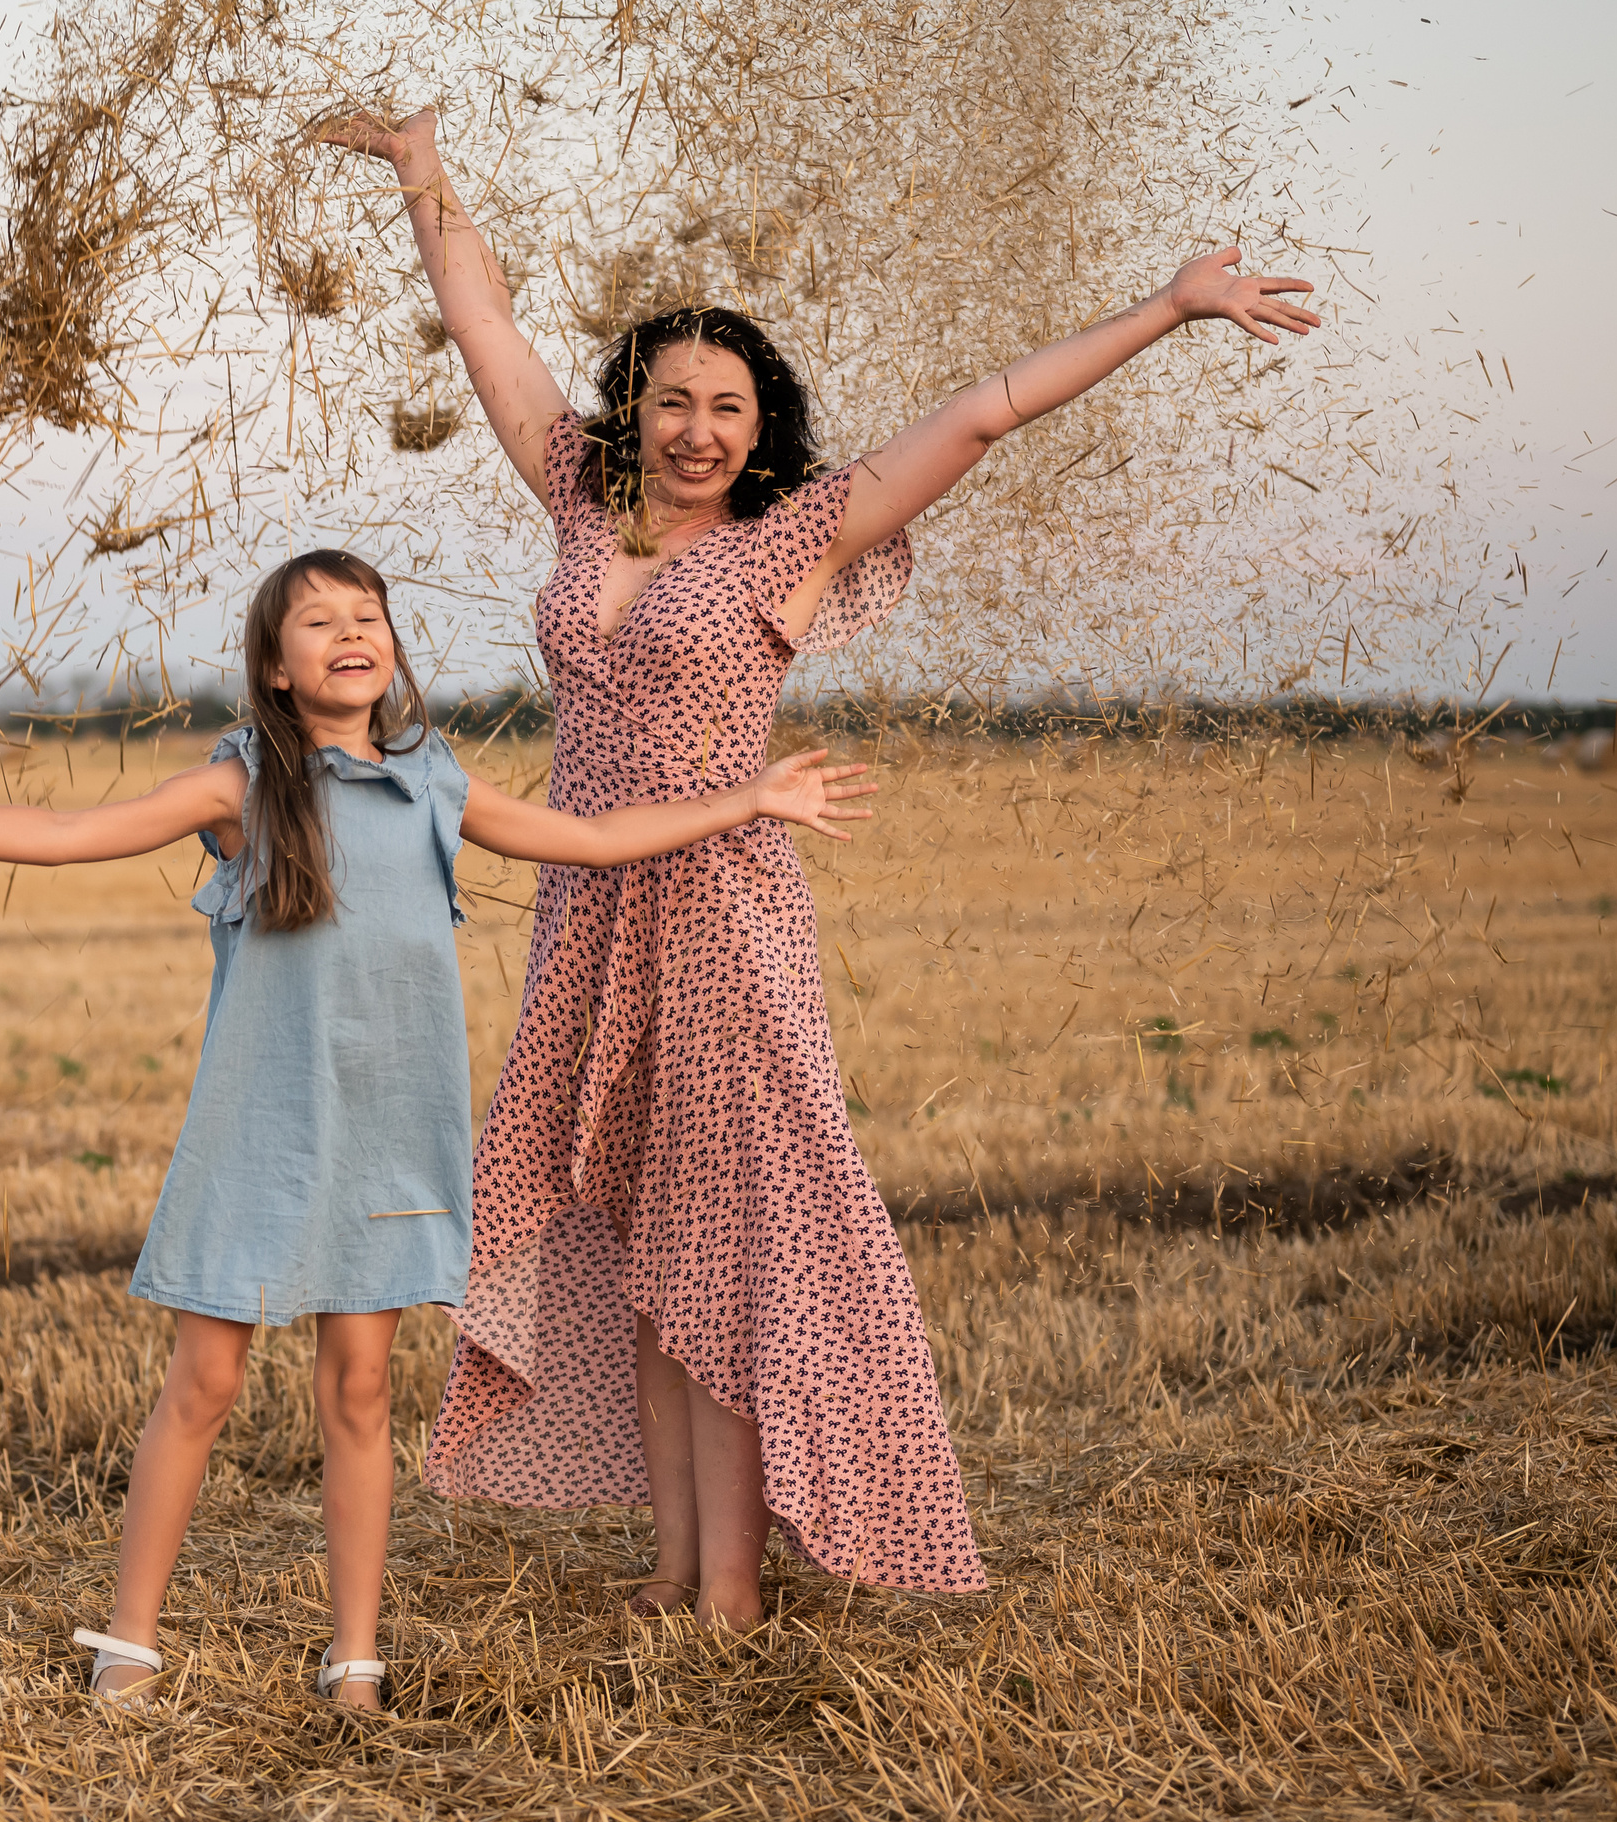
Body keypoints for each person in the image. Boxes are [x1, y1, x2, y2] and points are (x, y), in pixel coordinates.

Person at [322, 110, 1323, 1629]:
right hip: (588, 908)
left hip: (723, 915)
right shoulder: (579, 494)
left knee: (729, 1245)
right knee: (641, 1236)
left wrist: (1169, 307)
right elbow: (485, 324)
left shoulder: (793, 538)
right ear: (635, 407)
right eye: (672, 400)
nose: (697, 429)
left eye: (727, 407)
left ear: (760, 425)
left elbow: (980, 417)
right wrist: (421, 172)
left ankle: (732, 1587)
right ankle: (676, 1567)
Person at [0, 549, 878, 1705]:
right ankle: (129, 1638)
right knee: (203, 1383)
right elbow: (71, 829)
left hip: (390, 1138)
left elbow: (585, 839)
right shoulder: (240, 785)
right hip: (261, 1136)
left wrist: (748, 800)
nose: (350, 632)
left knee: (360, 1392)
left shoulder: (431, 778)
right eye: (318, 621)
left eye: (368, 615)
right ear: (277, 669)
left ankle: (355, 1654)